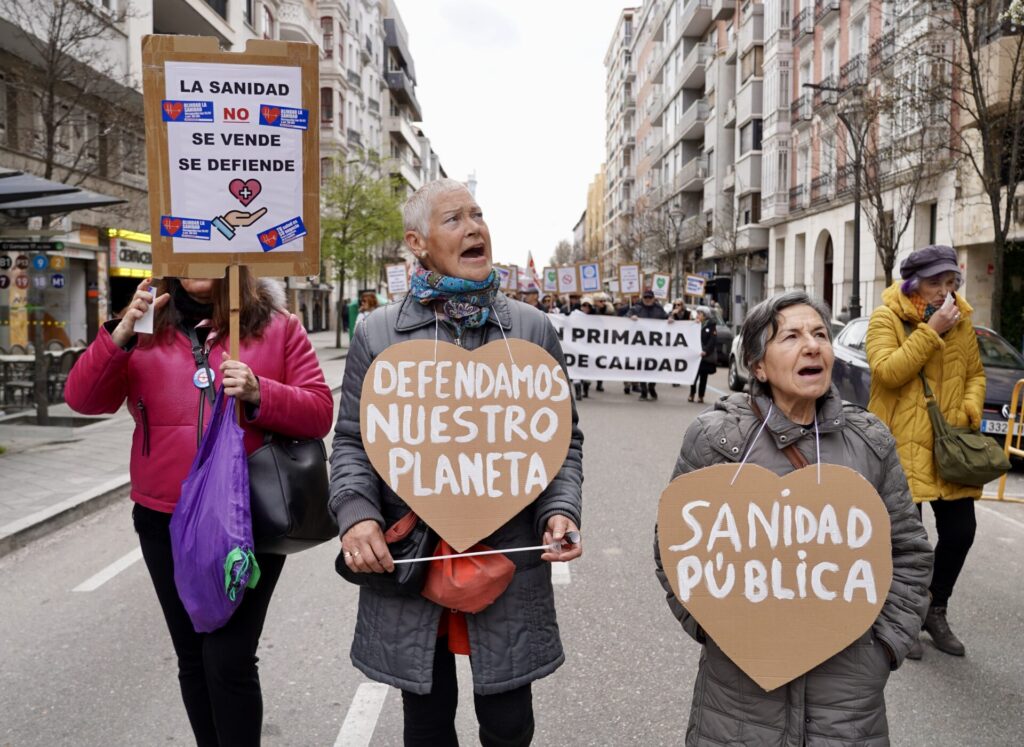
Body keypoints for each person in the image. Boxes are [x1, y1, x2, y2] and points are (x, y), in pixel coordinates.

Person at [330, 178, 584, 747]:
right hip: (413, 560)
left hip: (507, 555)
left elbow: (562, 439)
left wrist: (560, 510)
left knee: (509, 722)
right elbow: (350, 442)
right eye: (454, 219)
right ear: (417, 242)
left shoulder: (531, 329)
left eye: (478, 214)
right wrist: (356, 515)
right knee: (425, 722)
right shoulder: (377, 333)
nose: (474, 228)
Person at [65, 272, 333, 746]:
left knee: (228, 658)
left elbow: (318, 411)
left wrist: (260, 391)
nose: (198, 261)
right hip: (164, 516)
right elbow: (83, 399)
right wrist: (120, 334)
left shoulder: (277, 325)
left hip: (248, 516)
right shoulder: (144, 325)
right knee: (192, 655)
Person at [654, 291, 933, 746]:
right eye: (791, 337)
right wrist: (714, 627)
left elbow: (909, 553)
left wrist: (882, 648)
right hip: (738, 698)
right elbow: (674, 548)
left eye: (820, 334)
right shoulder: (714, 440)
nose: (812, 346)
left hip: (847, 699)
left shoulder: (871, 441)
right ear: (758, 366)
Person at [865, 244, 984, 660]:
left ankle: (935, 608)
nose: (945, 291)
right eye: (936, 282)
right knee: (907, 543)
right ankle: (904, 616)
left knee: (961, 532)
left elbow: (975, 374)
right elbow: (887, 372)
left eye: (950, 282)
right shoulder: (886, 318)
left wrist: (970, 408)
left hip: (949, 446)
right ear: (913, 284)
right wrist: (930, 331)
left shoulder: (962, 321)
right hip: (901, 443)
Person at [629, 289, 668, 401]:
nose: (647, 299)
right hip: (640, 344)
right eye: (645, 297)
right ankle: (644, 391)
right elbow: (626, 317)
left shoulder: (659, 309)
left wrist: (670, 319)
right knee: (642, 367)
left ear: (653, 298)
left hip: (655, 345)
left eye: (649, 297)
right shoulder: (636, 308)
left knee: (654, 367)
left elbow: (667, 318)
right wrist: (631, 317)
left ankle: (651, 386)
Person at [688, 307, 717, 404]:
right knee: (693, 376)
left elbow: (712, 340)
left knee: (703, 377)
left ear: (705, 316)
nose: (697, 315)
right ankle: (692, 393)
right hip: (695, 355)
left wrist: (706, 351)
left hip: (705, 356)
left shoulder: (711, 326)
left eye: (700, 314)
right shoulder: (695, 324)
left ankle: (701, 396)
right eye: (697, 313)